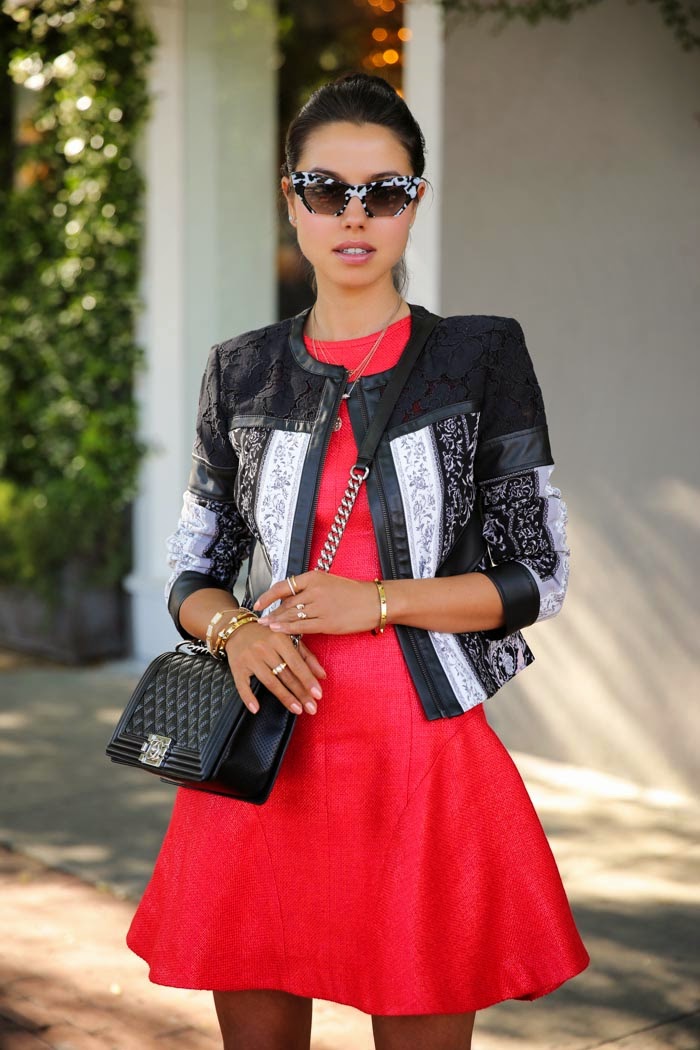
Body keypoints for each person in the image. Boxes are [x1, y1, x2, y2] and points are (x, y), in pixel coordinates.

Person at [126, 72, 590, 1050]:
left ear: (415, 201)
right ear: (291, 199)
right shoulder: (240, 369)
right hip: (262, 752)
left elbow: (536, 574)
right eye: (326, 188)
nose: (354, 214)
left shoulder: (479, 357)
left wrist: (376, 601)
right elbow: (192, 572)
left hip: (417, 760)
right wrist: (236, 628)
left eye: (384, 191)